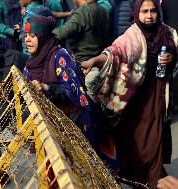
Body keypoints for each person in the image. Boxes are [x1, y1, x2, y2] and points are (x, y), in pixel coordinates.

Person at [79, 0, 178, 187]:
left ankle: (153, 176)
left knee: (154, 137)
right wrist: (95, 61)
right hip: (134, 97)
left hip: (156, 95)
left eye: (153, 11)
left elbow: (175, 54)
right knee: (133, 137)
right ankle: (136, 175)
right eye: (144, 11)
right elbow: (115, 52)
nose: (149, 16)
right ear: (136, 13)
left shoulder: (168, 34)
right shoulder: (132, 35)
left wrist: (171, 58)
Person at [22, 15, 119, 171]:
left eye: (33, 36)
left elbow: (76, 92)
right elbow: (26, 90)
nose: (27, 40)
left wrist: (47, 88)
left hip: (75, 124)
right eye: (26, 36)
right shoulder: (30, 63)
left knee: (88, 173)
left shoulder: (60, 56)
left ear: (44, 37)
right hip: (50, 129)